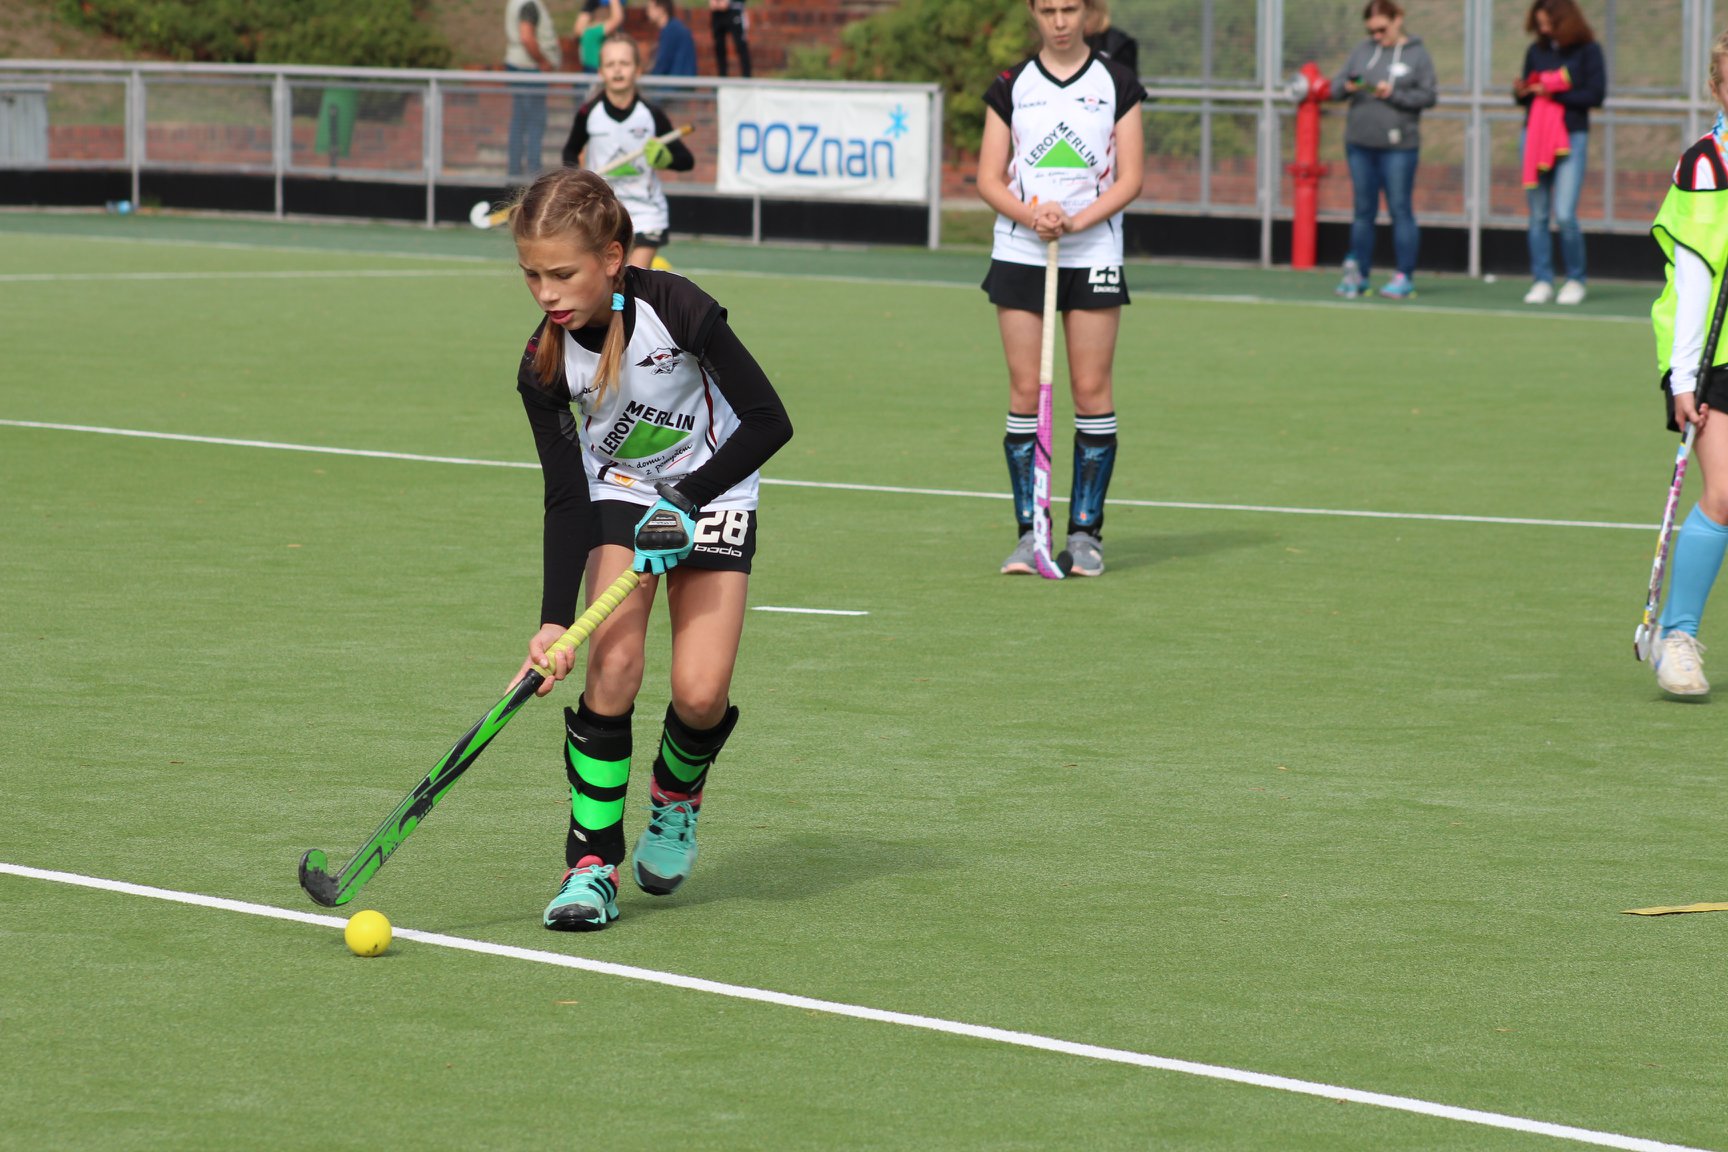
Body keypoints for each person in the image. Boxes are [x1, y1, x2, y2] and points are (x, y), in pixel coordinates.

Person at [509, 166, 793, 929]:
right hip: (622, 494)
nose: (547, 293)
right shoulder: (544, 363)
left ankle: (676, 797)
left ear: (612, 257)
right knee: (613, 667)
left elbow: (770, 421)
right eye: (533, 275)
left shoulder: (677, 308)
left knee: (700, 694)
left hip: (715, 488)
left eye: (562, 274)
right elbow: (566, 497)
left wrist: (687, 500)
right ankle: (590, 864)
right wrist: (553, 621)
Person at [975, 0, 1145, 578]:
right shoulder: (1011, 86)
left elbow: (1132, 178)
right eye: (1047, 9)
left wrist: (1075, 220)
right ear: (1033, 12)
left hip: (1093, 249)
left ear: (1087, 11)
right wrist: (1033, 216)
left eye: (1070, 7)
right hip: (1022, 249)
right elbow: (988, 178)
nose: (1060, 20)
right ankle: (1031, 533)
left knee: (1091, 389)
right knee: (1026, 390)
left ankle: (1086, 535)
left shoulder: (1117, 82)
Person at [1647, 32, 1728, 698]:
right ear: (1716, 89)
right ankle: (1676, 638)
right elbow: (1695, 280)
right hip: (1715, 355)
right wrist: (1683, 377)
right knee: (1725, 493)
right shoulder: (1706, 165)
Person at [1330, 0, 1437, 301]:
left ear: (1397, 19)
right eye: (1372, 31)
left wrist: (1394, 94)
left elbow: (1428, 96)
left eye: (1382, 29)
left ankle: (1404, 276)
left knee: (1400, 209)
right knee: (1363, 211)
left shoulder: (1417, 54)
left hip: (1399, 147)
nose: (1377, 36)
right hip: (1360, 144)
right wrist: (1348, 87)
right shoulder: (1362, 51)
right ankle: (1359, 275)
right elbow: (1335, 87)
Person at [563, 33, 696, 268]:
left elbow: (686, 160)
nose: (617, 70)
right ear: (601, 71)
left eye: (624, 63)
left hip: (646, 213)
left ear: (638, 70)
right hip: (602, 211)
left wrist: (664, 159)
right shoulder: (588, 113)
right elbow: (570, 151)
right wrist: (578, 178)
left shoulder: (651, 115)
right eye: (610, 64)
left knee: (630, 278)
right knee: (604, 281)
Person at [1514, 0, 1606, 306]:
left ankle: (1575, 279)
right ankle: (1542, 279)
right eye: (1539, 23)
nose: (1543, 29)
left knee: (1565, 214)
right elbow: (1525, 98)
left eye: (1548, 23)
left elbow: (1596, 94)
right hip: (1534, 137)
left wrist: (1555, 93)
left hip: (1571, 136)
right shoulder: (1536, 51)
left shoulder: (1588, 51)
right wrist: (1523, 91)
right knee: (1538, 214)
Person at [504, 0, 562, 180]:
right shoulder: (529, 4)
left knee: (520, 121)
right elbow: (527, 37)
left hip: (520, 66)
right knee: (534, 123)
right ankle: (533, 174)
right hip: (529, 69)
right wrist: (543, 61)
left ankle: (516, 170)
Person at [1083, 0, 1137, 77]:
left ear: (1098, 12)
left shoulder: (1120, 43)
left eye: (1088, 14)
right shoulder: (1073, 42)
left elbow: (1127, 78)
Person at [647, 0, 698, 77]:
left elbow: (663, 63)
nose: (647, 12)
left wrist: (650, 76)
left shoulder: (671, 30)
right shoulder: (674, 27)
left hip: (677, 81)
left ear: (661, 9)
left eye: (650, 8)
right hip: (682, 79)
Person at [574, 0, 627, 71]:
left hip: (591, 71)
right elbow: (616, 19)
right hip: (596, 72)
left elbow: (578, 27)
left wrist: (588, 6)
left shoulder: (586, 31)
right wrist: (614, 2)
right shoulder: (594, 32)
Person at [709, 0, 751, 78]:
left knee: (741, 45)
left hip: (735, 9)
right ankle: (722, 76)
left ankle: (747, 77)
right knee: (719, 46)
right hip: (718, 12)